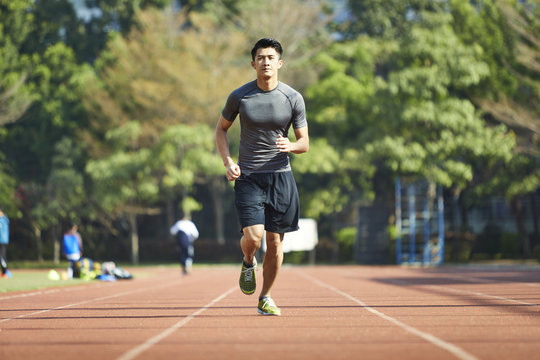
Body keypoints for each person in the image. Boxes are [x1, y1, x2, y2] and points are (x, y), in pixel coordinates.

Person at [215, 38, 309, 316]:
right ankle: (247, 260)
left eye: (270, 57)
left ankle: (266, 297)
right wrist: (227, 162)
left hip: (281, 177)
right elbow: (221, 130)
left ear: (279, 63)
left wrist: (290, 145)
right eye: (260, 57)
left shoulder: (293, 98)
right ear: (253, 63)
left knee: (276, 243)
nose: (265, 62)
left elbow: (304, 143)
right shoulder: (240, 97)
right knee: (254, 239)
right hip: (249, 177)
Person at [0, 208, 11, 278]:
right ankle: (4, 272)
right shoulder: (5, 219)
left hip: (2, 240)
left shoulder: (3, 220)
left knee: (2, 257)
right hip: (3, 240)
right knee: (2, 257)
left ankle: (4, 272)